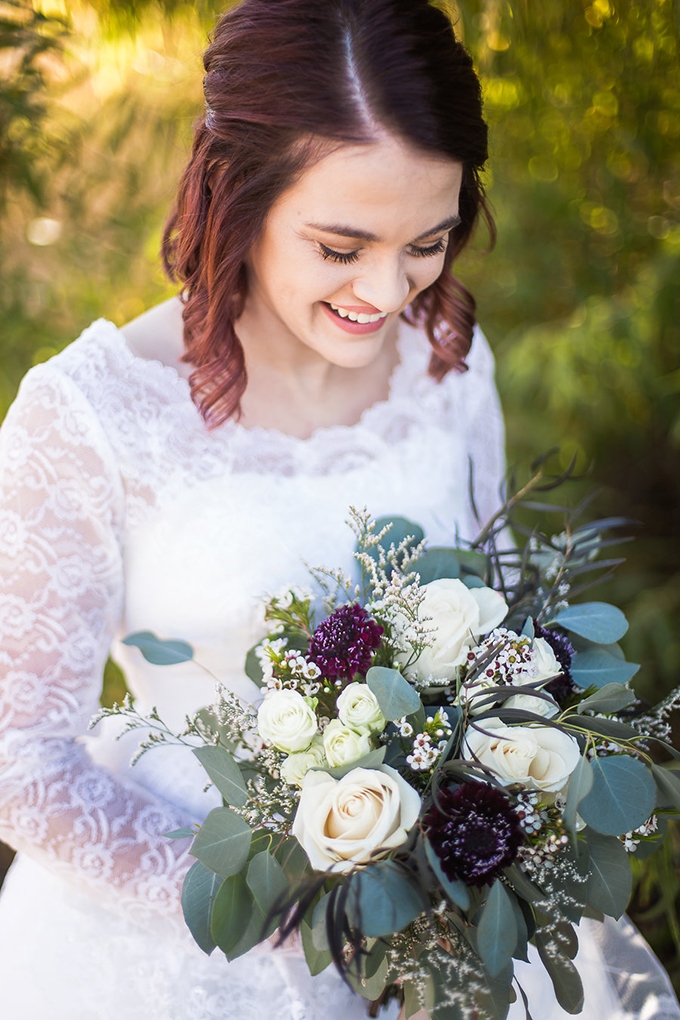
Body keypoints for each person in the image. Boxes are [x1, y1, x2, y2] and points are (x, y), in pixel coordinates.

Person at [0, 1, 677, 1018]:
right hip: (178, 954)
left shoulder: (446, 366)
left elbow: (490, 625)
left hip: (440, 937)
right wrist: (293, 905)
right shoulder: (89, 415)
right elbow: (23, 761)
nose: (387, 289)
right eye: (340, 245)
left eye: (427, 242)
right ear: (239, 197)